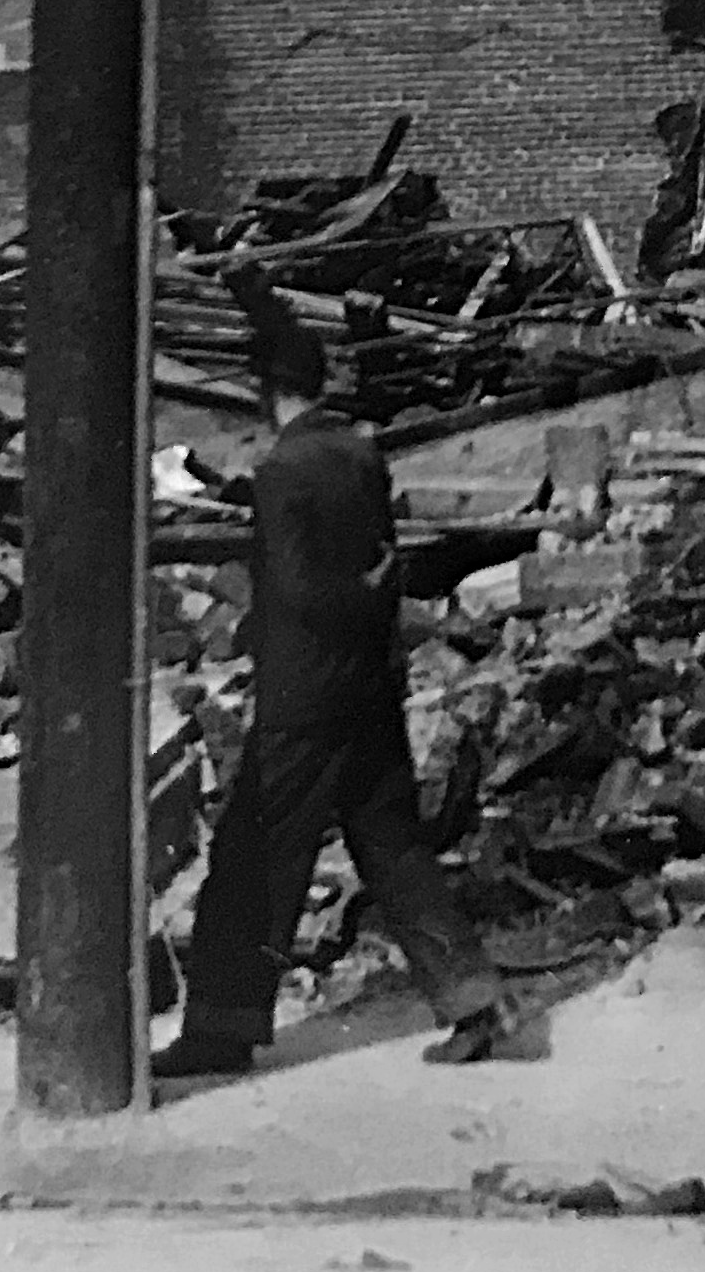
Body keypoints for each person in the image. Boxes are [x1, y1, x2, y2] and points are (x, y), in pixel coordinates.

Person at [149, 300, 506, 1083]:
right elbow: (378, 565)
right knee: (395, 850)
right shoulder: (360, 455)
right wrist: (376, 586)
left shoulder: (282, 471)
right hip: (371, 691)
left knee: (250, 861)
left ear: (263, 390)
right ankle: (472, 1002)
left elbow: (306, 591)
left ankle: (222, 1028)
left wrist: (287, 595)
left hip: (307, 702)